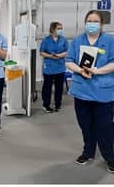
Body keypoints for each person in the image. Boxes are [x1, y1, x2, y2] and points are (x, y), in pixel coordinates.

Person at [65, 10, 114, 173]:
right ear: (85, 23)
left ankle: (110, 156)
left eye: (95, 21)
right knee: (85, 125)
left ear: (101, 24)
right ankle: (88, 152)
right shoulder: (78, 40)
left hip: (103, 92)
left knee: (105, 127)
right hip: (81, 91)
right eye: (89, 21)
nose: (91, 24)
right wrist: (79, 70)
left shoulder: (109, 40)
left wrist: (97, 71)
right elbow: (69, 60)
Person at [39, 21, 69, 113]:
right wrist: (50, 56)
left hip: (60, 67)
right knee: (47, 87)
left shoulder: (64, 40)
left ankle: (58, 104)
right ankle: (46, 105)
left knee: (59, 87)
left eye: (61, 28)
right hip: (49, 67)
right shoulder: (46, 40)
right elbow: (41, 52)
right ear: (53, 29)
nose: (60, 30)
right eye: (59, 28)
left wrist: (60, 55)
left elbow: (67, 51)